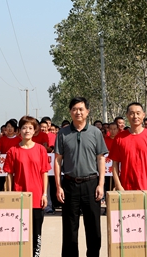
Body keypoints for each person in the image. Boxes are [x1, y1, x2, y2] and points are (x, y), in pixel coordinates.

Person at [54, 97, 108, 257]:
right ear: (70, 112)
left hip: (91, 184)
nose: (78, 112)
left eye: (81, 109)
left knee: (93, 228)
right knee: (69, 228)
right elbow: (57, 160)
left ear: (87, 112)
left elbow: (101, 159)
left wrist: (101, 184)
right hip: (69, 185)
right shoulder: (63, 133)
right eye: (74, 109)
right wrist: (58, 186)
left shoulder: (95, 132)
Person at [4, 116, 51, 257]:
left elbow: (44, 173)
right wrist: (9, 195)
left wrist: (44, 194)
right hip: (19, 197)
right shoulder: (13, 150)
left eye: (30, 128)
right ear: (19, 130)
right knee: (19, 233)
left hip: (37, 197)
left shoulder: (41, 150)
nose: (27, 130)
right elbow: (9, 174)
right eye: (24, 127)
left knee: (36, 232)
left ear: (35, 131)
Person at [111, 102, 147, 192]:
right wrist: (118, 185)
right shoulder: (119, 138)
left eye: (138, 113)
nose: (135, 116)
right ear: (127, 116)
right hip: (126, 188)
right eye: (132, 113)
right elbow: (115, 164)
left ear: (143, 115)